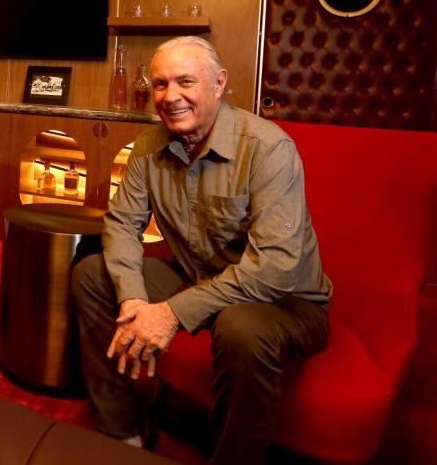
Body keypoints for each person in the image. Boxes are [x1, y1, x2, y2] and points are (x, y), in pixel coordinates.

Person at [71, 36, 332, 465]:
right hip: (200, 280)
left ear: (219, 83)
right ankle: (120, 434)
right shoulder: (148, 145)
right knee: (93, 274)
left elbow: (276, 267)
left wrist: (172, 313)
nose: (170, 96)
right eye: (160, 84)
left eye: (185, 82)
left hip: (285, 300)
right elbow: (121, 224)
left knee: (241, 327)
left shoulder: (269, 148)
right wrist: (135, 298)